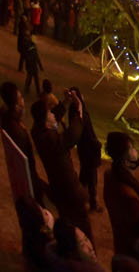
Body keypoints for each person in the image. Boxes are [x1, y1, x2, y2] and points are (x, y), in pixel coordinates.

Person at [31, 94, 93, 241]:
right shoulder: (52, 140)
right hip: (70, 192)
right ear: (46, 122)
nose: (54, 115)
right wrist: (79, 110)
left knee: (68, 224)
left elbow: (51, 118)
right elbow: (72, 135)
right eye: (50, 113)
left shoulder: (37, 131)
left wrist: (65, 103)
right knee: (82, 230)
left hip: (60, 191)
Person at [103, 131, 139, 257]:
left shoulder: (110, 174)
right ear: (125, 160)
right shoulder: (129, 195)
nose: (135, 151)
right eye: (131, 148)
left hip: (122, 243)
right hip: (133, 249)